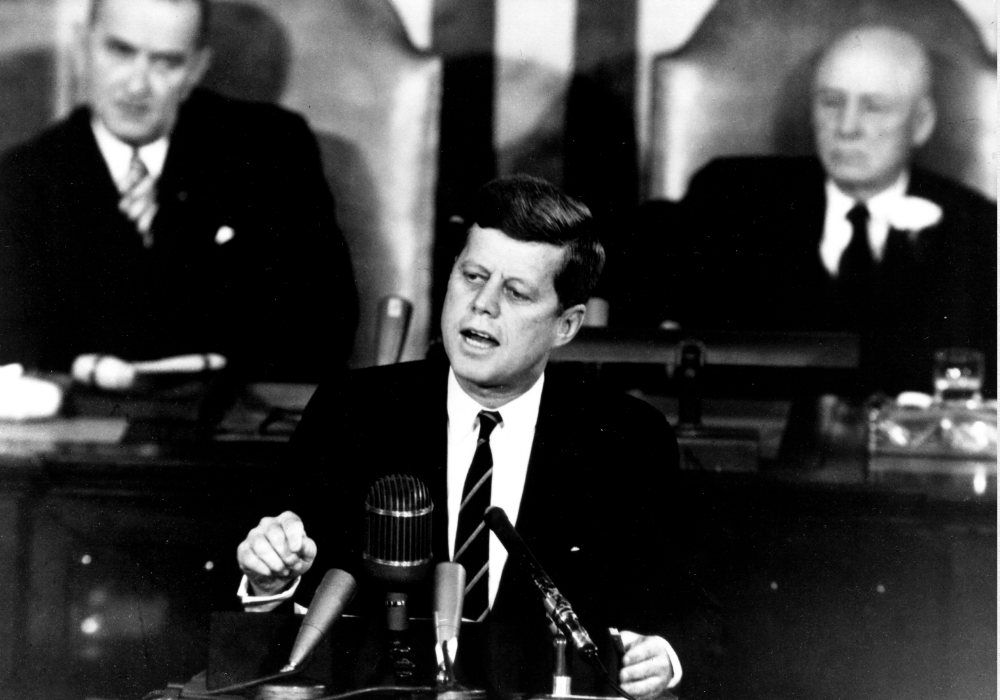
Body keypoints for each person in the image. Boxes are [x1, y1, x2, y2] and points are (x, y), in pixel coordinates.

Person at [236, 175, 684, 699]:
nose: (482, 304)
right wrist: (269, 581)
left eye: (515, 292)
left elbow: (687, 610)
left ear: (566, 325)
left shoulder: (628, 439)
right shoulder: (351, 411)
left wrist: (663, 657)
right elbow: (272, 597)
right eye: (472, 276)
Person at [0, 0, 357, 379]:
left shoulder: (271, 150)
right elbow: (19, 349)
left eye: (166, 62)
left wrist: (180, 231)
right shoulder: (20, 181)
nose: (137, 85)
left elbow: (322, 328)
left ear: (196, 69)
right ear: (82, 47)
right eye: (120, 51)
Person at [633, 25, 996, 396]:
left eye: (873, 107)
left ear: (921, 123)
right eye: (831, 102)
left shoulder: (979, 229)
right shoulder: (730, 196)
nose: (847, 127)